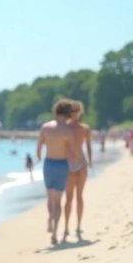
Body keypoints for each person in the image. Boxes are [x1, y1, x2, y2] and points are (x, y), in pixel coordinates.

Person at [37, 99, 78, 245]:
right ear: (68, 114)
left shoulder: (45, 127)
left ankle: (50, 218)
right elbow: (72, 153)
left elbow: (39, 147)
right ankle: (54, 233)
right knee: (58, 201)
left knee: (50, 197)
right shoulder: (68, 131)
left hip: (48, 164)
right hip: (62, 165)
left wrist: (38, 156)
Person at [64, 101, 94, 238]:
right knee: (69, 198)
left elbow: (88, 145)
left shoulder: (85, 128)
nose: (74, 114)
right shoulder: (64, 127)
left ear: (80, 112)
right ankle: (65, 226)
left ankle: (78, 226)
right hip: (68, 164)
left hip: (82, 164)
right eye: (72, 111)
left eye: (76, 111)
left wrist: (90, 160)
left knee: (79, 196)